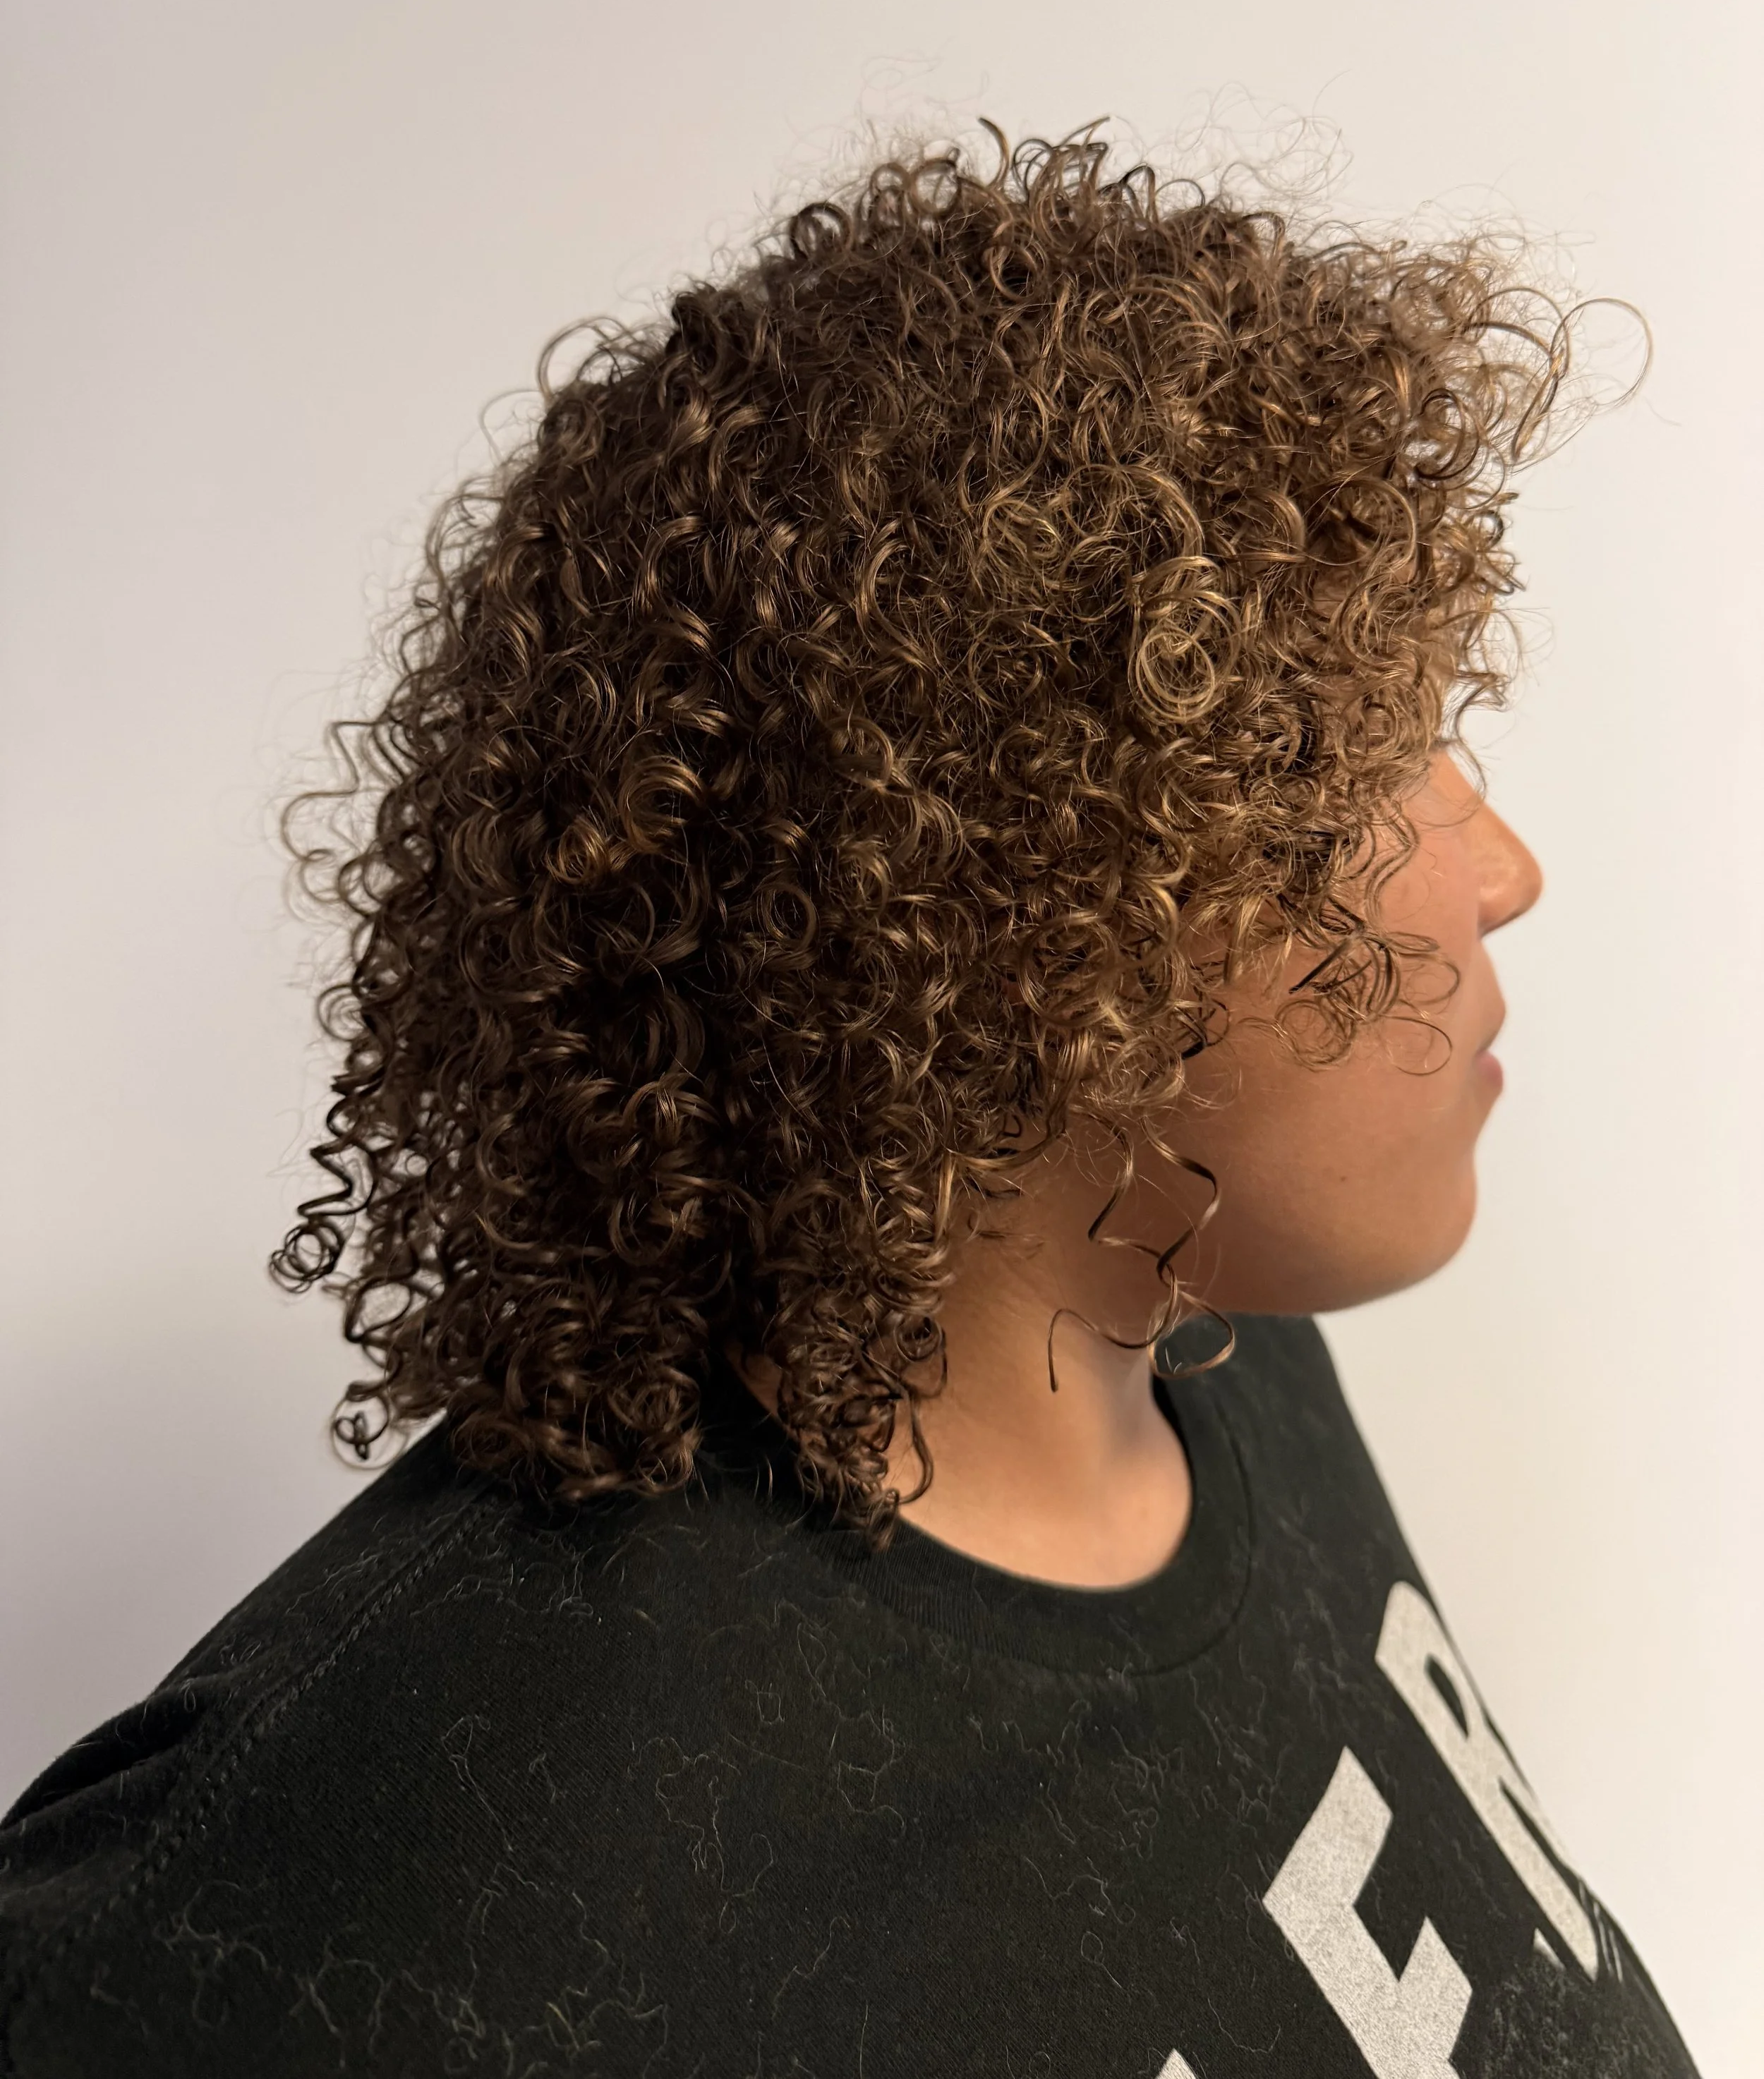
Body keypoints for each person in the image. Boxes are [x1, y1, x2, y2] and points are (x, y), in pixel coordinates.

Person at [0, 133, 1698, 2077]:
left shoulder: (1202, 1336)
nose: (1496, 868)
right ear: (1012, 931)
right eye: (1331, 782)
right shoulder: (438, 1872)